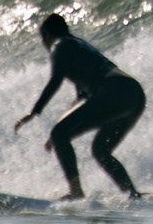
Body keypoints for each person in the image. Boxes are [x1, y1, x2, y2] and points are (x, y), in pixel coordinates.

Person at [13, 14, 145, 201]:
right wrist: (59, 133)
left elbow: (55, 80)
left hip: (115, 89)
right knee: (100, 151)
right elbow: (82, 100)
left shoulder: (60, 46)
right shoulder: (77, 47)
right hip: (134, 94)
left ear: (45, 34)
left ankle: (76, 192)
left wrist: (34, 112)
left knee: (62, 134)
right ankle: (133, 196)